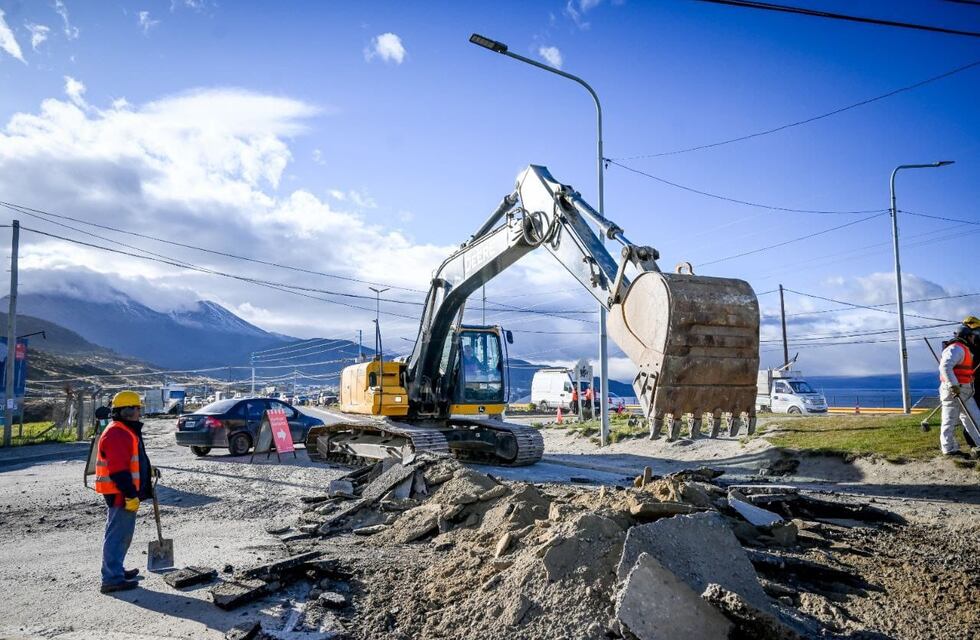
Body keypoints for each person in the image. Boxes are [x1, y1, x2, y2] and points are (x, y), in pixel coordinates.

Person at [94, 390, 156, 593]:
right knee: (118, 535)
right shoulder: (117, 433)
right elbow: (119, 471)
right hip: (121, 493)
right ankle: (112, 578)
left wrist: (148, 470)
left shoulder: (124, 430)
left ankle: (116, 569)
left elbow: (131, 461)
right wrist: (130, 494)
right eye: (137, 408)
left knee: (121, 534)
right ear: (126, 410)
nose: (139, 412)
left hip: (122, 492)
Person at [938, 322, 980, 459]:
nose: (974, 338)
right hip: (953, 390)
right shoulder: (956, 348)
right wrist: (953, 385)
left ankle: (979, 444)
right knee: (949, 419)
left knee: (974, 417)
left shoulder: (963, 348)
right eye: (973, 336)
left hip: (964, 390)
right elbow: (945, 366)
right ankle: (949, 450)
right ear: (967, 336)